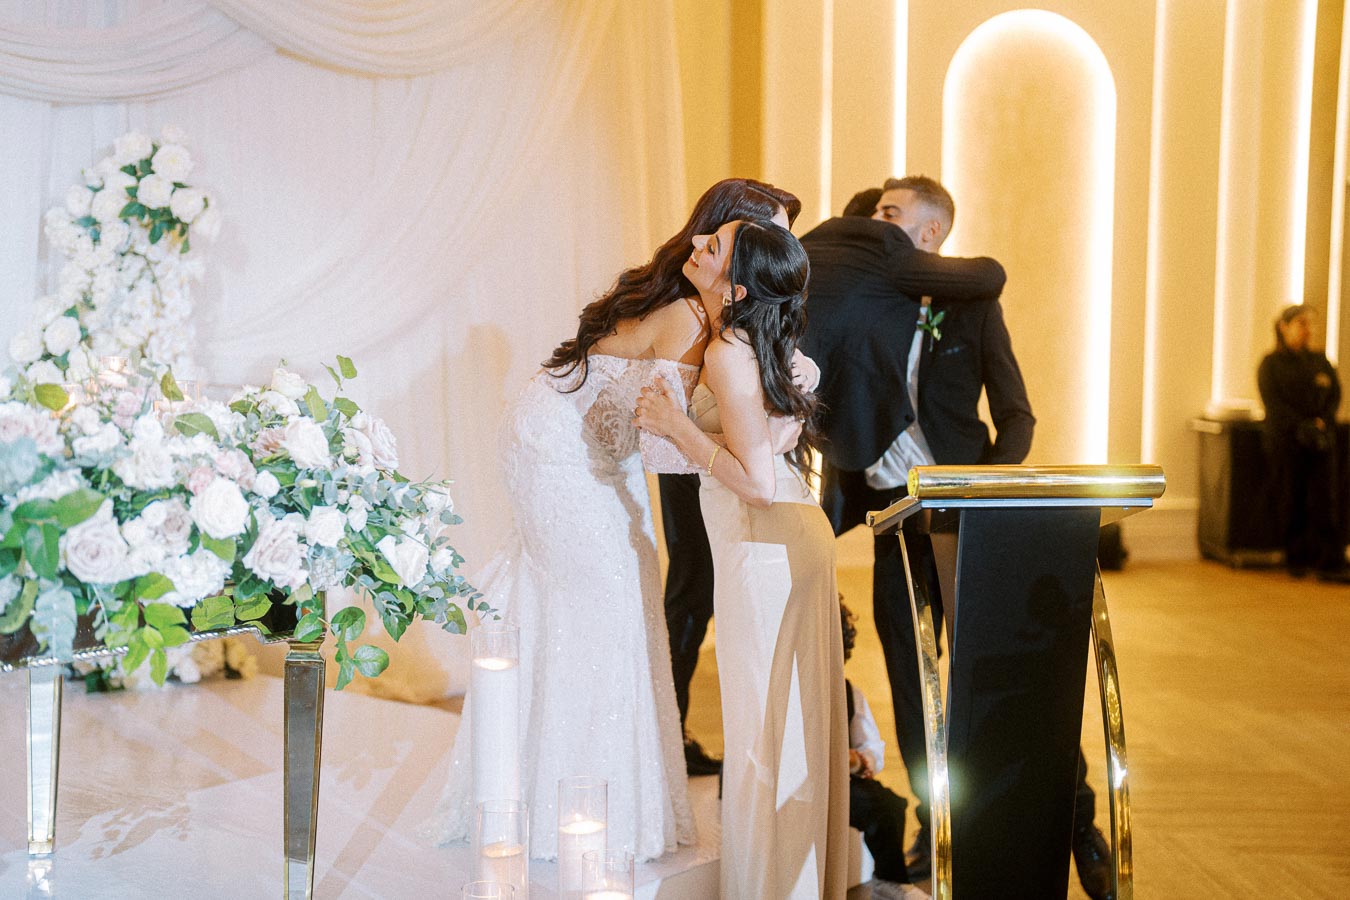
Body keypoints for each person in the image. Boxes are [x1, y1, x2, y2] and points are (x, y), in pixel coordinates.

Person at [426, 179, 800, 862]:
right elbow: (656, 437)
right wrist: (770, 419)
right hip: (560, 450)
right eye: (764, 234)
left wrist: (752, 414)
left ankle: (576, 800)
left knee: (622, 600)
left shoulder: (698, 313)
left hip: (589, 446)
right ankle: (575, 809)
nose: (783, 248)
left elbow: (650, 428)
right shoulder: (695, 318)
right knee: (602, 607)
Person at [805, 176, 1114, 900]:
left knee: (1011, 687)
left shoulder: (972, 304)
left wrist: (993, 500)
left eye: (888, 213)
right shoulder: (864, 295)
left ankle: (1078, 823)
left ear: (931, 231)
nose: (873, 223)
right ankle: (934, 820)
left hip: (970, 528)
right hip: (893, 525)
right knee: (916, 694)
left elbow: (1017, 416)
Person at [635, 218, 849, 898]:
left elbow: (753, 480)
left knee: (766, 740)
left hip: (767, 545)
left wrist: (675, 426)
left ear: (738, 280)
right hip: (785, 539)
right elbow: (773, 431)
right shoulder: (755, 335)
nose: (698, 246)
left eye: (715, 246)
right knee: (785, 734)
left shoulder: (729, 346)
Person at [661, 189, 802, 778]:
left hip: (750, 501)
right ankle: (671, 728)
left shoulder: (735, 339)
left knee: (765, 674)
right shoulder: (693, 315)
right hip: (718, 490)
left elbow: (762, 463)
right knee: (694, 593)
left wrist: (686, 430)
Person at [839, 600, 927, 900]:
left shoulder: (849, 693)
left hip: (842, 781)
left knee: (889, 805)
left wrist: (856, 760)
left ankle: (888, 880)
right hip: (799, 784)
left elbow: (872, 745)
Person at [1258, 304, 1346, 580]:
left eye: (1311, 324)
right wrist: (1301, 425)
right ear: (1285, 327)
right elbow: (1274, 404)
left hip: (1320, 442)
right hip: (1288, 442)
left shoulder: (1320, 362)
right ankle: (1297, 557)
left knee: (1325, 499)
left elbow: (1334, 395)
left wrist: (1322, 422)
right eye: (1301, 323)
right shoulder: (1271, 365)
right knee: (1291, 497)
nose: (1308, 330)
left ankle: (1329, 560)